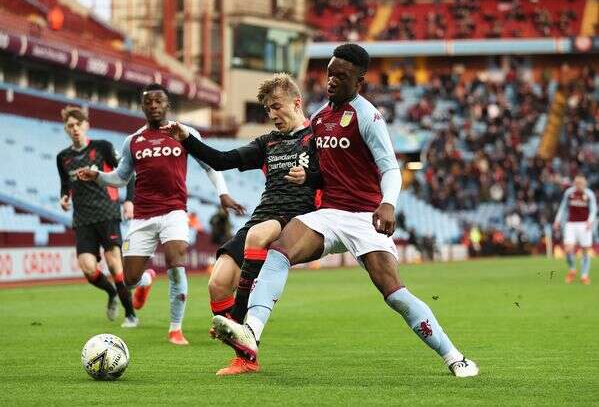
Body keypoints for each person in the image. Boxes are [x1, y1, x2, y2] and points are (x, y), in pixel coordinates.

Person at [211, 44, 479, 378]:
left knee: (394, 294)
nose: (332, 81)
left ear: (359, 81)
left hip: (365, 218)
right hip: (329, 214)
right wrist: (307, 175)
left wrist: (388, 203)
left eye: (342, 76)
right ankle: (251, 333)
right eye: (330, 74)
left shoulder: (367, 117)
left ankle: (454, 356)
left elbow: (390, 169)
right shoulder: (321, 119)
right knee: (279, 250)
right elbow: (326, 172)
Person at [171, 73, 321, 375]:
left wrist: (311, 178)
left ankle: (238, 322)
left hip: (297, 217)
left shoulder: (317, 138)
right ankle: (244, 356)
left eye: (277, 106)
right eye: (267, 109)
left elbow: (336, 176)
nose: (272, 114)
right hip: (263, 214)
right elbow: (221, 159)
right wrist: (188, 139)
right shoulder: (268, 143)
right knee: (217, 283)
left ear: (297, 102)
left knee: (258, 234)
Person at [77, 83, 244, 344]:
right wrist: (97, 176)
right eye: (149, 102)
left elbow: (210, 165)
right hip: (143, 215)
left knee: (176, 262)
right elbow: (121, 178)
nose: (154, 106)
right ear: (142, 106)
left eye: (159, 101)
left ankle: (175, 328)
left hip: (174, 211)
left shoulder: (184, 133)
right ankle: (145, 280)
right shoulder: (132, 141)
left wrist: (222, 193)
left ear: (167, 105)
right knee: (128, 279)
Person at [55, 106, 137, 327]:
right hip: (82, 219)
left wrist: (129, 200)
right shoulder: (62, 158)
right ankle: (111, 294)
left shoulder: (102, 147)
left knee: (114, 265)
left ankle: (130, 315)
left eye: (78, 125)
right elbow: (65, 185)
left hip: (107, 213)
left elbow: (128, 174)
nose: (74, 129)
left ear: (86, 126)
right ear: (66, 129)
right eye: (70, 126)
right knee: (88, 268)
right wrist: (64, 198)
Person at [554, 175, 597, 285]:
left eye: (580, 184)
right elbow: (563, 207)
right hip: (571, 224)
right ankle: (572, 269)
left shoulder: (589, 194)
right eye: (576, 183)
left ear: (584, 184)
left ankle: (584, 275)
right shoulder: (569, 193)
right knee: (568, 249)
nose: (578, 186)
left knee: (585, 250)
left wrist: (590, 221)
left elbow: (593, 209)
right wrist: (557, 220)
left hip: (584, 224)